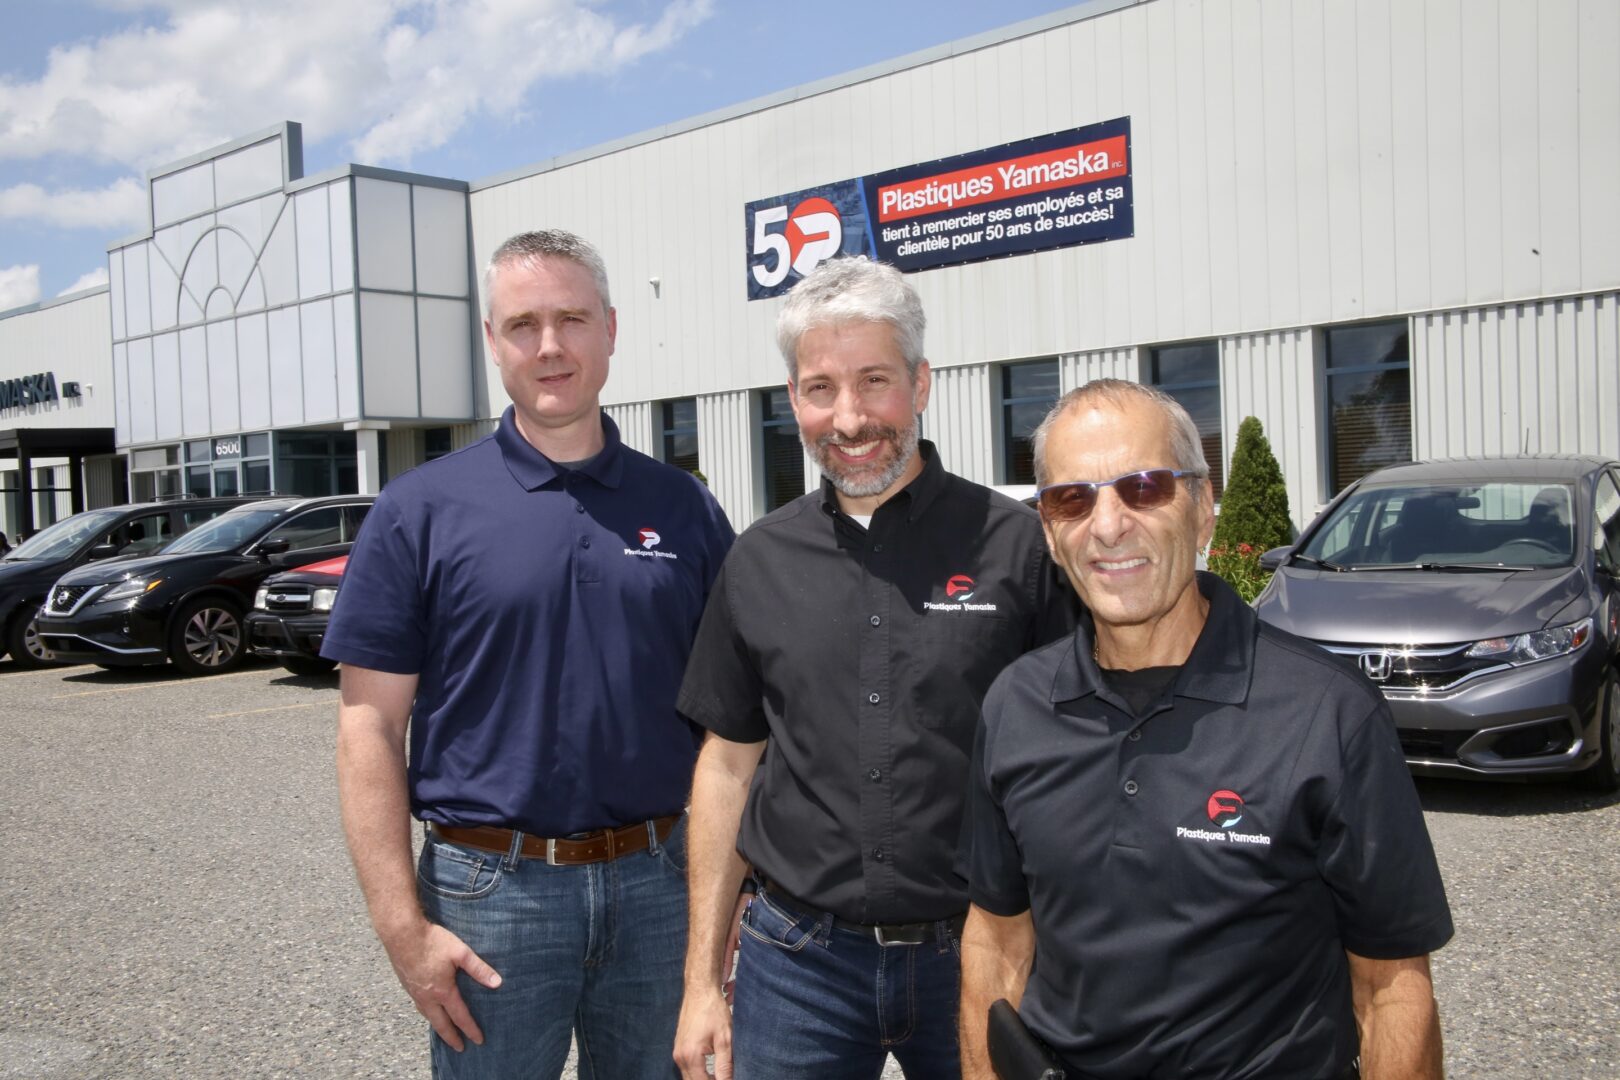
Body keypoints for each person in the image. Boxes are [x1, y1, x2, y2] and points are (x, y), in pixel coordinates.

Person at [325, 229, 734, 1079]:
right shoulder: (418, 511)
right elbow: (369, 727)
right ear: (492, 341)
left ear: (612, 330)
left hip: (664, 887)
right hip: (489, 898)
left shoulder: (685, 508)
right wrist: (402, 927)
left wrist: (730, 902)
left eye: (573, 319)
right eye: (524, 325)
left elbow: (735, 723)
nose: (550, 346)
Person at [958, 379, 1452, 1080]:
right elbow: (996, 944)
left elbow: (1391, 987)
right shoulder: (1015, 705)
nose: (1107, 525)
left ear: (1203, 508)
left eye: (1144, 487)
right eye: (1073, 498)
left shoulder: (1329, 715)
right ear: (1049, 531)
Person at [673, 256, 1076, 1079]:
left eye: (875, 381)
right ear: (792, 400)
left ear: (922, 383)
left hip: (983, 950)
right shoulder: (757, 561)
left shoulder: (1018, 548)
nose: (849, 417)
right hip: (797, 965)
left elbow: (1077, 757)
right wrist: (701, 981)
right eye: (821, 388)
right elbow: (727, 766)